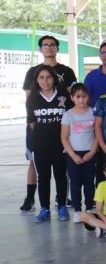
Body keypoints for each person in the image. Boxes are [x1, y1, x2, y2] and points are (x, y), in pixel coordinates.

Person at [21, 35, 77, 212]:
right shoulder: (32, 71)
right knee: (35, 163)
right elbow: (30, 99)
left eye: (52, 44)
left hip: (60, 127)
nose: (49, 47)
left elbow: (71, 98)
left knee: (62, 166)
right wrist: (33, 124)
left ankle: (62, 199)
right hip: (39, 127)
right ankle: (30, 198)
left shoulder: (66, 71)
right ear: (41, 49)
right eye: (45, 45)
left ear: (57, 48)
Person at [26, 65, 73, 222]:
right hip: (41, 145)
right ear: (36, 80)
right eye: (41, 78)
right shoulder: (33, 98)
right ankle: (44, 209)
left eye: (48, 77)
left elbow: (70, 118)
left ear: (54, 78)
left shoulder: (63, 95)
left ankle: (62, 207)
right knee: (43, 177)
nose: (45, 81)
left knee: (61, 176)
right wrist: (38, 139)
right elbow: (31, 122)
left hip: (61, 144)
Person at [61, 83, 97, 223]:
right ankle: (77, 210)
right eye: (78, 97)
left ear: (88, 97)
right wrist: (73, 155)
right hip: (73, 154)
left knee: (89, 182)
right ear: (72, 98)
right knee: (75, 183)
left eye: (84, 96)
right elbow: (64, 137)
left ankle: (89, 208)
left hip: (89, 153)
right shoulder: (68, 115)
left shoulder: (93, 112)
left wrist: (92, 152)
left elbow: (97, 135)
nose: (81, 99)